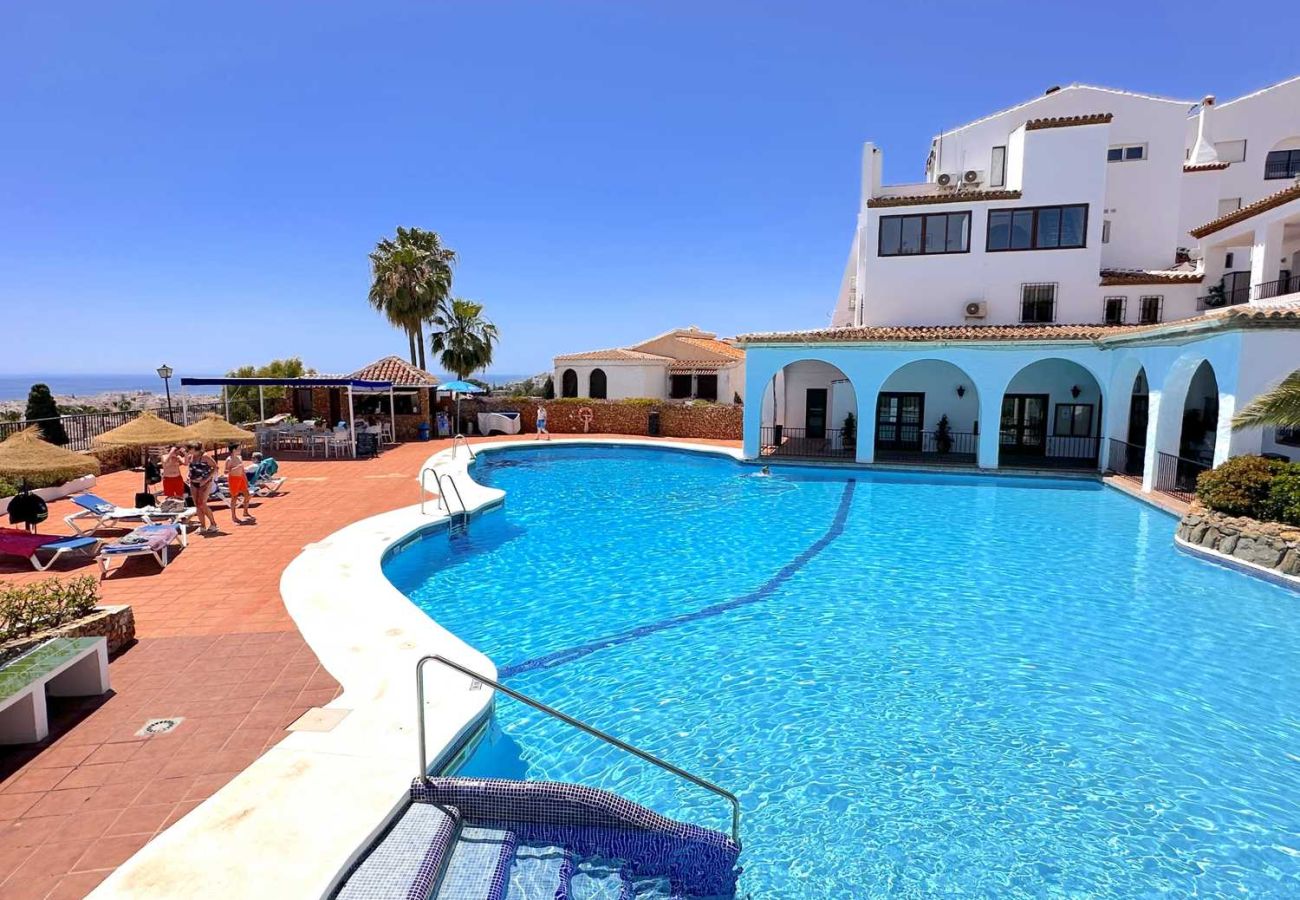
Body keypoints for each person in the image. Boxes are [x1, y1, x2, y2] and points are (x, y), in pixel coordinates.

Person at [186, 441, 220, 534]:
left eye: (190, 449)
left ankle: (213, 524)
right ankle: (202, 526)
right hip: (193, 482)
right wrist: (188, 475)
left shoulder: (205, 456)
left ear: (196, 449)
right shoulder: (191, 457)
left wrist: (206, 479)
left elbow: (215, 467)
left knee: (202, 503)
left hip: (205, 483)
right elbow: (191, 468)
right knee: (197, 504)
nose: (189, 451)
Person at [225, 442, 255, 524]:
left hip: (241, 478)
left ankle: (245, 512)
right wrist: (235, 468)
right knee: (234, 497)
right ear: (234, 450)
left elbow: (242, 470)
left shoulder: (239, 458)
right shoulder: (229, 459)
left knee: (247, 495)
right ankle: (233, 516)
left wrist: (245, 480)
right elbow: (226, 472)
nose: (240, 450)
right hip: (233, 479)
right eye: (238, 448)